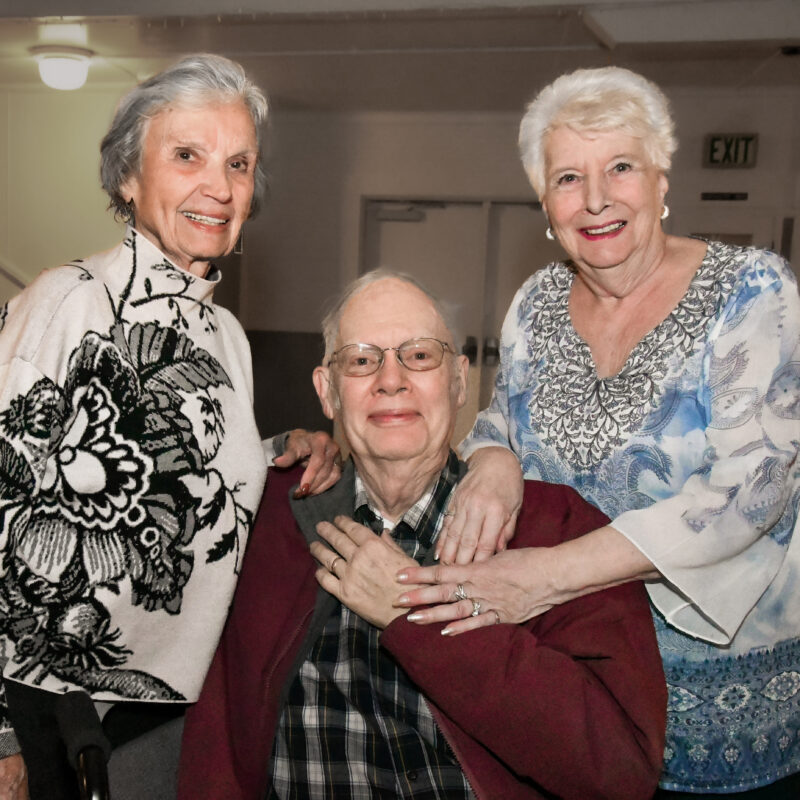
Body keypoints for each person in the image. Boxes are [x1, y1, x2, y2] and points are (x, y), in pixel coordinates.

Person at [395, 67, 800, 798]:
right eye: (569, 178)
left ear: (660, 176)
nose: (597, 199)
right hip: (577, 685)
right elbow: (500, 416)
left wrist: (543, 576)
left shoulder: (753, 291)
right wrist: (491, 459)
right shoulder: (539, 299)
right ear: (545, 202)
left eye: (621, 167)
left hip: (720, 710)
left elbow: (751, 491)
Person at [177, 270, 667, 800]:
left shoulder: (557, 530)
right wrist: (265, 453)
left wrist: (410, 616)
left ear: (459, 381)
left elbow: (619, 772)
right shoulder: (264, 516)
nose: (391, 380)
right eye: (362, 360)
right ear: (327, 391)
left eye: (419, 356)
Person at [0, 54, 340, 800]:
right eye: (188, 155)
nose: (218, 187)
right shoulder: (67, 303)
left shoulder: (225, 336)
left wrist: (286, 448)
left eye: (239, 164)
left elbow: (200, 480)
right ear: (129, 176)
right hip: (42, 710)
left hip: (167, 711)